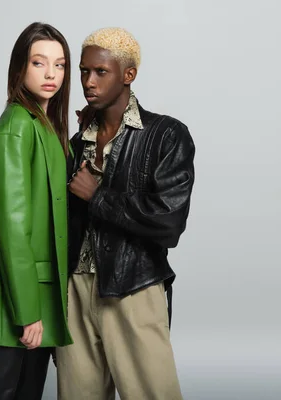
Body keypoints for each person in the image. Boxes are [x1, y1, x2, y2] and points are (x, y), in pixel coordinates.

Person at [57, 27, 195, 400]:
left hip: (133, 286)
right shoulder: (77, 141)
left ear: (128, 75)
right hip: (75, 290)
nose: (88, 81)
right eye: (84, 71)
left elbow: (168, 222)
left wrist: (98, 196)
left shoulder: (165, 135)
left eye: (100, 72)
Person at [0, 22, 73, 400]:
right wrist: (27, 311)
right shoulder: (15, 131)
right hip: (16, 302)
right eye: (39, 63)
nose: (51, 74)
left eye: (59, 65)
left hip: (38, 297)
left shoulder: (44, 128)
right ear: (19, 68)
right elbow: (11, 227)